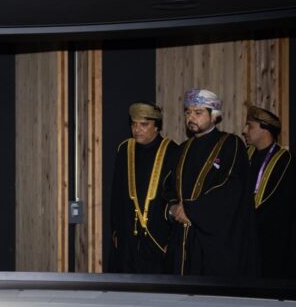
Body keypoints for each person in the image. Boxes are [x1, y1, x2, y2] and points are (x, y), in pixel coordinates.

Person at [162, 89, 259, 277]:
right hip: (182, 241)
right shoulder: (181, 149)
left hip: (213, 244)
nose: (191, 117)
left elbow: (231, 189)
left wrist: (191, 210)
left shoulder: (231, 144)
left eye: (198, 113)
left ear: (214, 116)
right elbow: (168, 188)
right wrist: (173, 209)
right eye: (188, 112)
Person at [109, 102, 180, 273]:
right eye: (134, 124)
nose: (137, 129)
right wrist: (115, 231)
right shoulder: (124, 149)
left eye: (144, 125)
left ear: (156, 126)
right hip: (127, 237)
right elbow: (116, 194)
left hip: (157, 238)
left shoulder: (172, 151)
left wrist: (169, 240)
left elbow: (175, 195)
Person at [242, 105, 296, 279]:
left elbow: (277, 204)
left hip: (271, 240)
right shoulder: (245, 155)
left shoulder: (285, 159)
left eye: (250, 126)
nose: (244, 130)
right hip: (247, 236)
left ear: (265, 129)